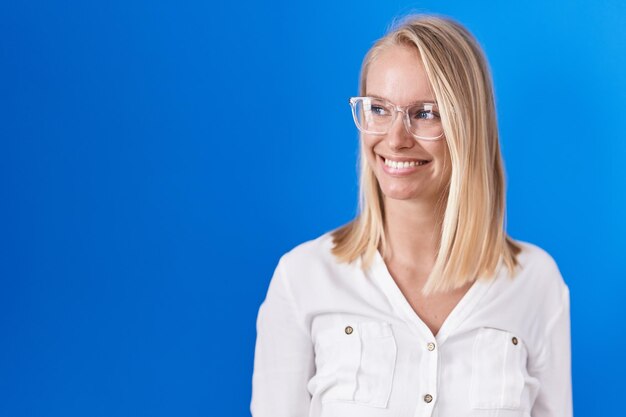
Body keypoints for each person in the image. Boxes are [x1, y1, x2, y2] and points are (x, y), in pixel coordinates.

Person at [250, 14, 572, 417]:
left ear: (467, 125)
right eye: (379, 109)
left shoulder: (536, 284)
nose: (396, 139)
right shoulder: (302, 279)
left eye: (425, 113)